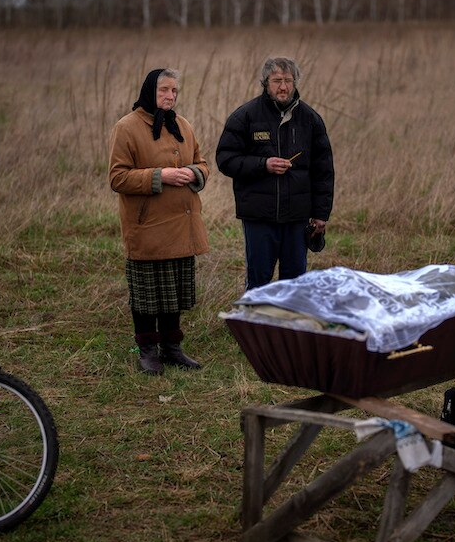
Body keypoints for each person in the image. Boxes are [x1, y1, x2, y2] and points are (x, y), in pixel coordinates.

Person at [109, 68, 209, 375]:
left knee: (173, 291)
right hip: (147, 227)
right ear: (149, 91)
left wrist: (195, 173)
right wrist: (159, 175)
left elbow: (202, 163)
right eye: (163, 90)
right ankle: (147, 351)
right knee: (147, 293)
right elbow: (117, 177)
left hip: (181, 226)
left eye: (174, 91)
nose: (169, 96)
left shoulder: (183, 125)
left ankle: (172, 349)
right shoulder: (127, 127)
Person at [216, 57, 334, 290]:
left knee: (294, 282)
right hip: (259, 216)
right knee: (259, 280)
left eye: (288, 80)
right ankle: (255, 325)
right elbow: (225, 159)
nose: (283, 86)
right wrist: (263, 164)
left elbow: (324, 171)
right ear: (265, 83)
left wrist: (321, 214)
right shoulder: (245, 116)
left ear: (295, 82)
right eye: (277, 80)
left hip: (297, 217)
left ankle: (287, 327)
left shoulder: (311, 120)